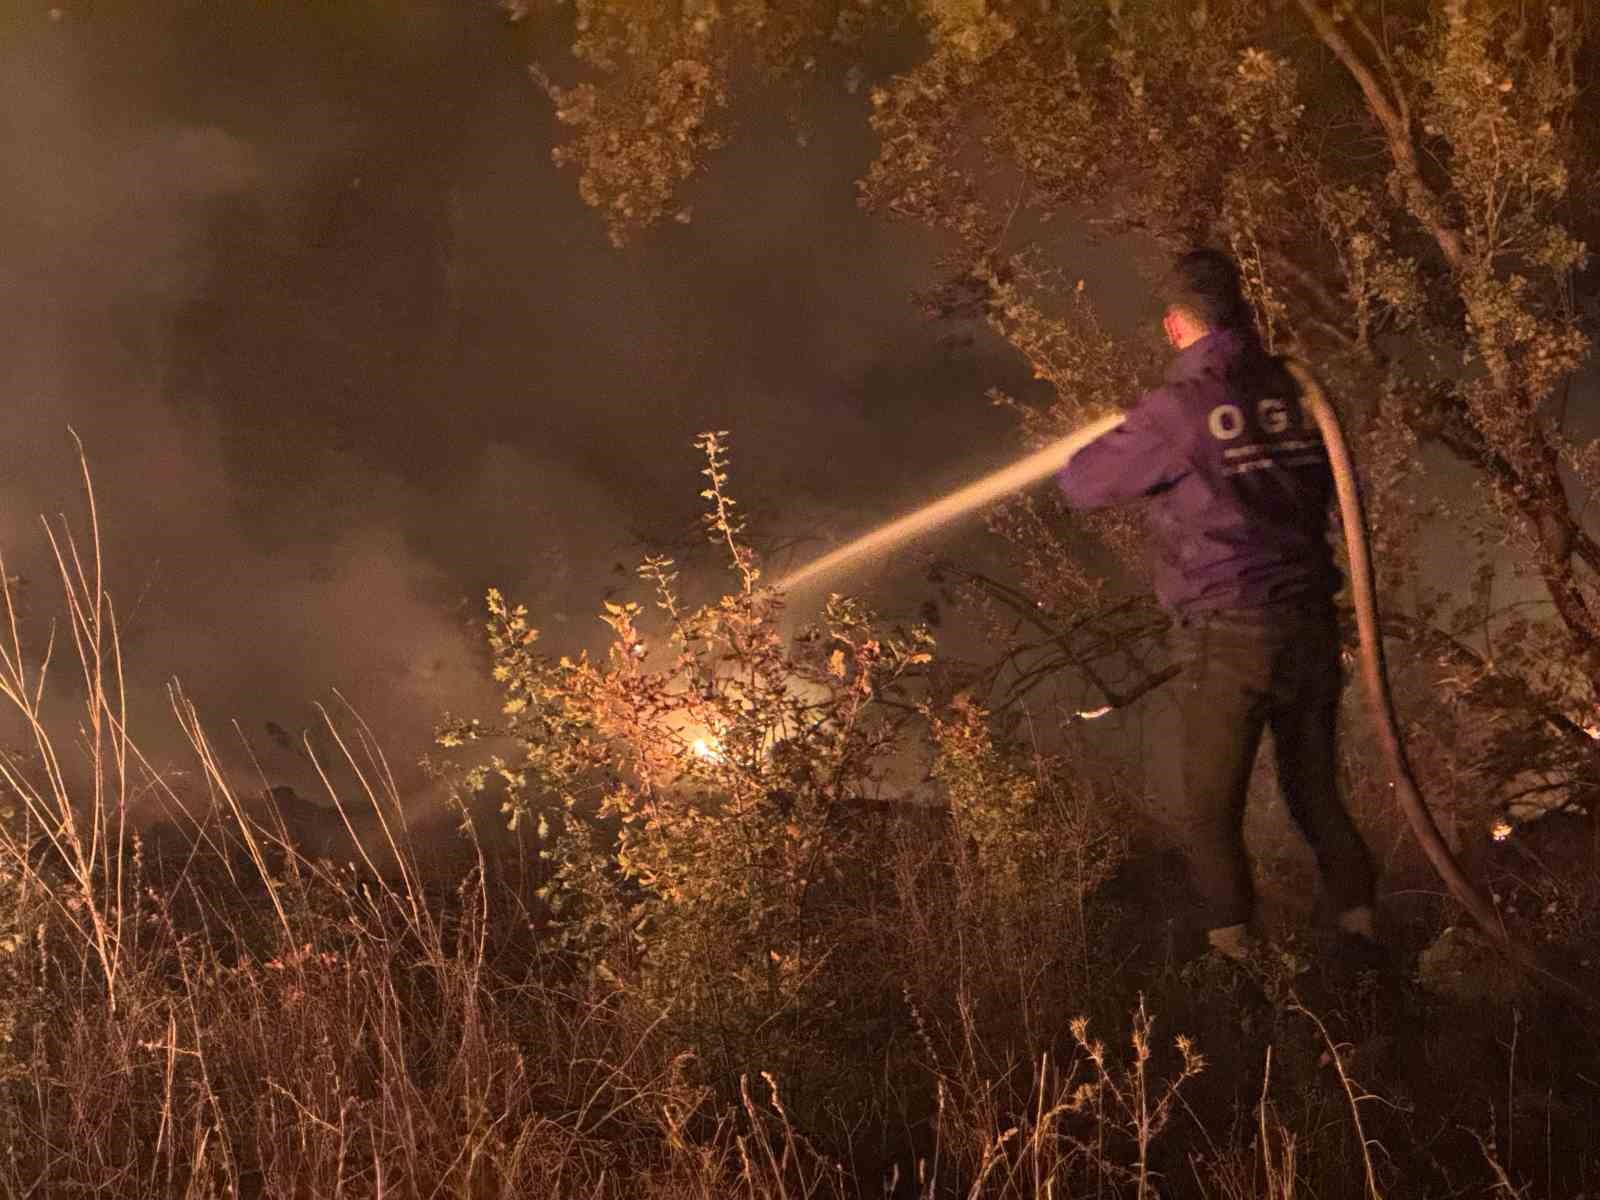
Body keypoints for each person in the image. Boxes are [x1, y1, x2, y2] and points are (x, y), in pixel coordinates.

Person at [1056, 249, 1378, 963]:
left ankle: (1237, 972)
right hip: (1310, 628)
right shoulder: (1294, 391)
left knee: (1208, 810)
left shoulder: (1179, 408)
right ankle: (1364, 947)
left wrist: (1123, 432)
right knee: (1317, 797)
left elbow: (1083, 483)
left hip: (1229, 633)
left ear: (1176, 326)